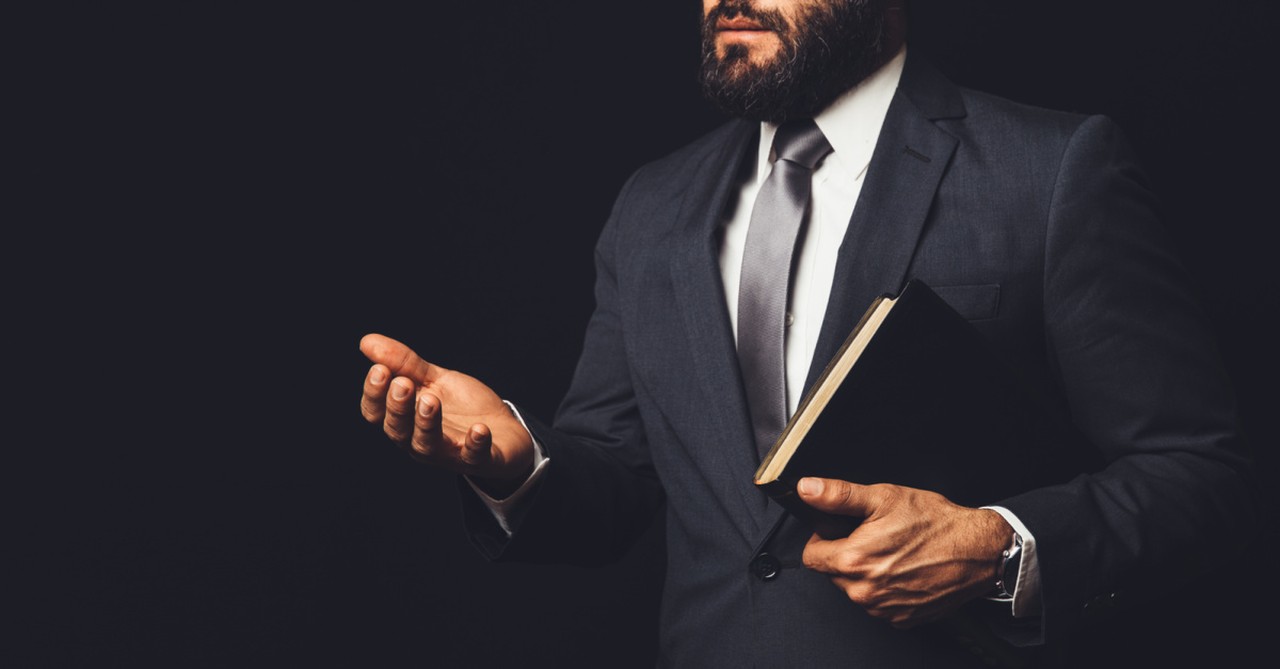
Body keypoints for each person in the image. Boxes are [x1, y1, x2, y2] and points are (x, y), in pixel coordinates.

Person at [358, 1, 1256, 666]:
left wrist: (1002, 547)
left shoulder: (1054, 170)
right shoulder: (652, 207)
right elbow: (624, 481)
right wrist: (512, 461)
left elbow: (1205, 476)